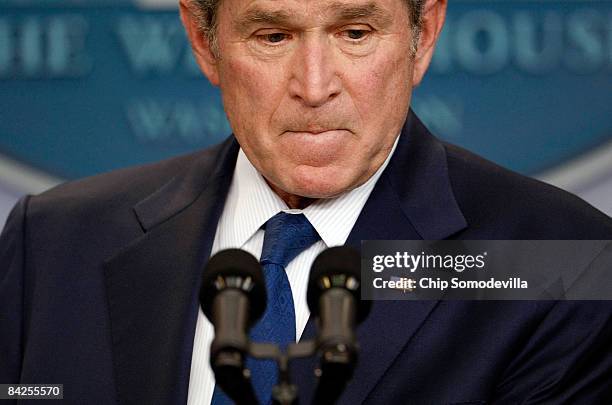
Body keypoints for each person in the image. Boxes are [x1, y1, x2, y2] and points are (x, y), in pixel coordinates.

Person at [1, 0, 611, 403]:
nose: (315, 86)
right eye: (273, 35)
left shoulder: (562, 264)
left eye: (355, 32)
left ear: (422, 36)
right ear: (203, 40)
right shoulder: (52, 245)